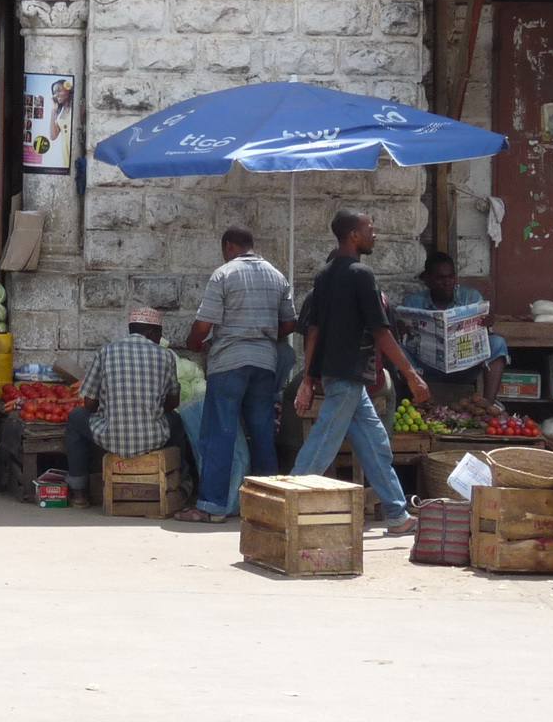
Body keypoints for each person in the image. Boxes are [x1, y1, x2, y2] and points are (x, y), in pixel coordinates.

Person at [292, 211, 430, 535]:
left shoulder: (324, 275)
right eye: (370, 228)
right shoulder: (361, 274)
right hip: (348, 373)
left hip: (337, 372)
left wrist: (309, 378)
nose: (375, 233)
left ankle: (397, 515)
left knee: (374, 442)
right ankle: (289, 498)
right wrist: (411, 375)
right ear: (353, 235)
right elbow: (381, 333)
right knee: (324, 440)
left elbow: (314, 331)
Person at [177, 225, 296, 524]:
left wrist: (195, 344)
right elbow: (289, 324)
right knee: (263, 435)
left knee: (220, 434)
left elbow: (203, 325)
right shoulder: (277, 276)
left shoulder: (224, 274)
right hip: (264, 363)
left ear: (229, 246)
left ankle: (212, 507)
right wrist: (264, 335)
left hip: (229, 363)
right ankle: (270, 506)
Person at [65, 309, 181, 509]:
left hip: (110, 437)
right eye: (160, 334)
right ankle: (180, 485)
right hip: (153, 437)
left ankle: (79, 492)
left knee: (76, 417)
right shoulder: (166, 356)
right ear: (153, 333)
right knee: (177, 421)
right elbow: (173, 403)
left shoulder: (106, 351)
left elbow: (89, 404)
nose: (160, 339)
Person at [396, 250, 509, 401]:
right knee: (397, 348)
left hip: (465, 368)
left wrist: (487, 325)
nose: (447, 282)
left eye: (451, 276)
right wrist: (402, 330)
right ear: (428, 280)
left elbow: (485, 335)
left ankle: (488, 404)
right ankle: (420, 400)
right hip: (426, 369)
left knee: (498, 343)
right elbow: (402, 338)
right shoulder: (413, 303)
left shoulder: (471, 297)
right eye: (440, 278)